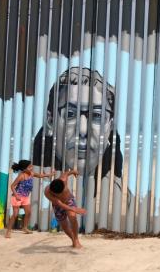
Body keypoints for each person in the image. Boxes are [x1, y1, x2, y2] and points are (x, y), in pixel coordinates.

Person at [32, 66, 123, 196]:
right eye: (70, 113)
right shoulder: (36, 188)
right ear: (50, 121)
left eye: (97, 115)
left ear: (111, 125)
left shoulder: (116, 192)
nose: (83, 130)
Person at [4, 160, 55, 238]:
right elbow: (12, 186)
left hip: (25, 197)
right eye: (29, 167)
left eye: (31, 166)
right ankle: (8, 231)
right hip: (17, 197)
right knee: (15, 214)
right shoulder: (21, 176)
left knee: (28, 213)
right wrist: (16, 195)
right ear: (24, 169)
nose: (31, 168)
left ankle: (24, 228)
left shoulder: (31, 174)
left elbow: (40, 175)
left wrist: (50, 174)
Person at [44, 169, 87, 248]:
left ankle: (76, 240)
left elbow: (66, 173)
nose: (60, 195)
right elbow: (59, 203)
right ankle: (73, 240)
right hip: (58, 206)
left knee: (73, 218)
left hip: (69, 201)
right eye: (57, 194)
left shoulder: (63, 179)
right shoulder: (47, 192)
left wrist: (73, 171)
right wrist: (75, 209)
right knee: (64, 226)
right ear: (52, 192)